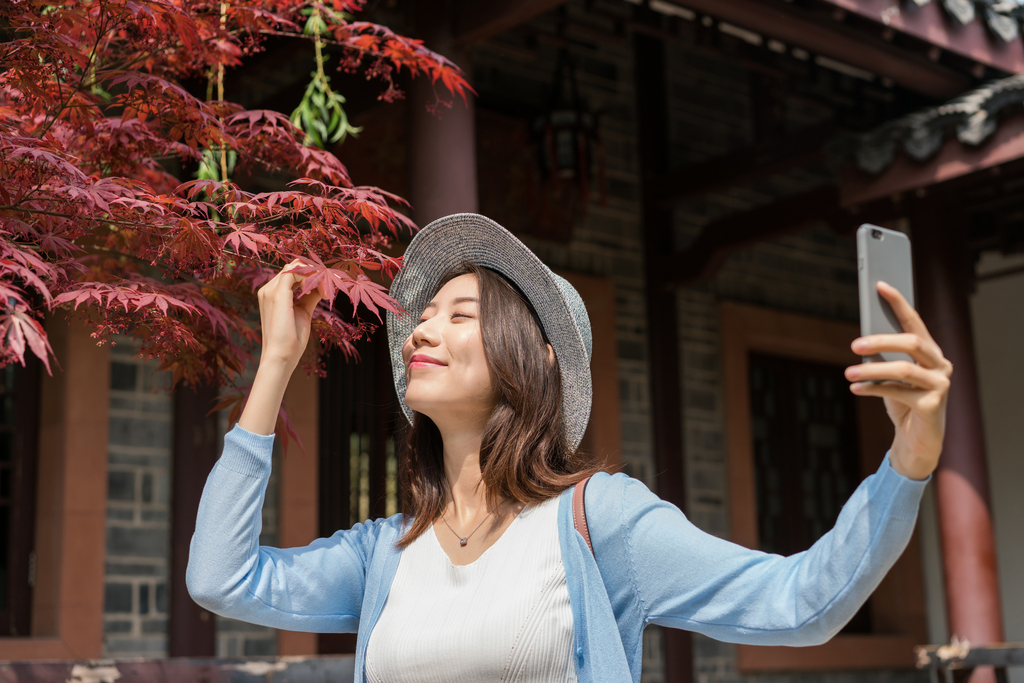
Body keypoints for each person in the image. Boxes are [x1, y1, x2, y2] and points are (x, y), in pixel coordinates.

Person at [187, 213, 952, 683]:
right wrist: (277, 365)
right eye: (423, 316)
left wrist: (908, 459)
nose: (419, 328)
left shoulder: (600, 521)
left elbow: (801, 603)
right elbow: (221, 577)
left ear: (536, 354)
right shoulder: (384, 551)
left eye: (460, 313)